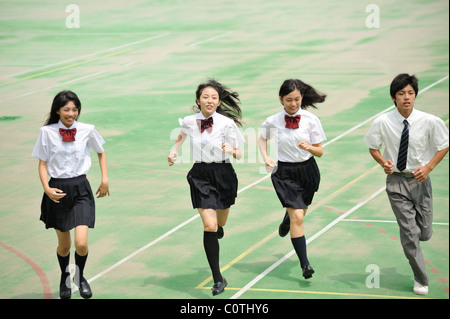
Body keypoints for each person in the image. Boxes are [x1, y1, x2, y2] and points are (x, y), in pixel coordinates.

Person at [363, 74, 449, 295]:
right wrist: (384, 162)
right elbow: (373, 147)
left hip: (421, 182)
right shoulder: (382, 121)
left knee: (425, 233)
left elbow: (444, 145)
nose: (406, 97)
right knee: (410, 234)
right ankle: (421, 279)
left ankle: (419, 237)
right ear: (394, 97)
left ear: (415, 95)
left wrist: (428, 167)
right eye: (401, 93)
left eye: (410, 93)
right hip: (396, 183)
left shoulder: (430, 121)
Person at [168, 79, 244, 296]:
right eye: (205, 97)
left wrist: (231, 150)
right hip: (200, 175)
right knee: (209, 226)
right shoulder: (191, 121)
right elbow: (182, 134)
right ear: (198, 100)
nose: (209, 100)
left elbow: (240, 153)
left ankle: (220, 227)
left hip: (224, 174)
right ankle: (218, 278)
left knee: (220, 222)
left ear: (219, 102)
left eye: (214, 97)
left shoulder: (226, 124)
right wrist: (174, 150)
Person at [32, 90, 110, 299]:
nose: (71, 113)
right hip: (57, 189)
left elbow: (101, 152)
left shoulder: (87, 130)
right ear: (57, 111)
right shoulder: (46, 132)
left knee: (81, 243)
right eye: (66, 109)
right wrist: (46, 189)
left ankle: (80, 276)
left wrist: (104, 179)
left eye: (75, 109)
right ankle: (65, 276)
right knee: (64, 246)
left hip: (81, 189)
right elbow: (42, 163)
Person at [258, 79, 327, 279]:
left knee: (298, 214)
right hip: (284, 173)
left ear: (301, 98)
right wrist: (266, 158)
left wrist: (309, 148)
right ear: (281, 99)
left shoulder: (311, 119)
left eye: (297, 99)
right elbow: (262, 138)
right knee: (299, 217)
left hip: (308, 171)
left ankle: (287, 218)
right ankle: (305, 264)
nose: (293, 104)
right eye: (289, 100)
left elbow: (320, 152)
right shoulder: (273, 120)